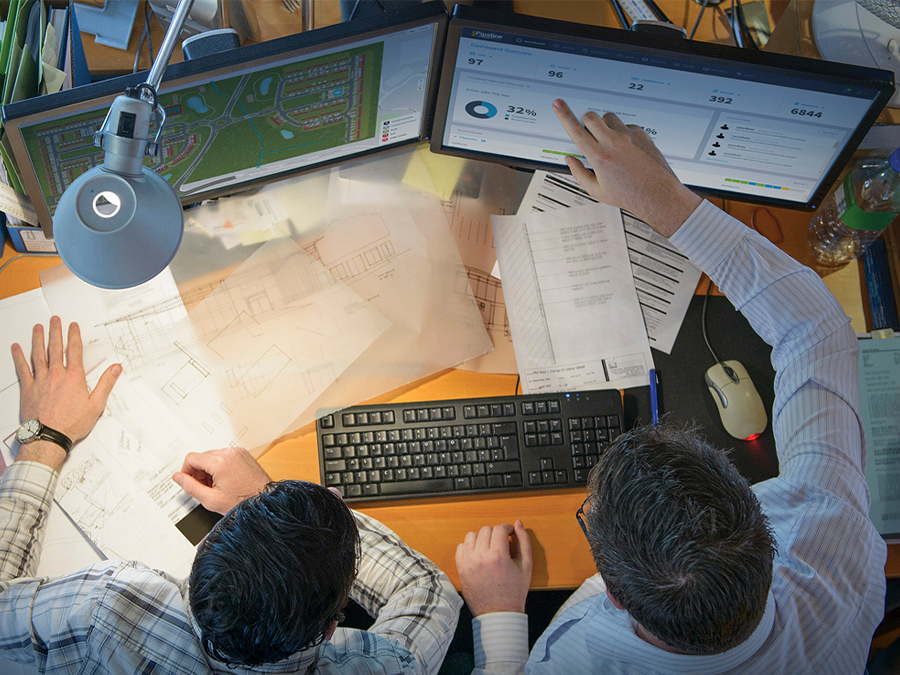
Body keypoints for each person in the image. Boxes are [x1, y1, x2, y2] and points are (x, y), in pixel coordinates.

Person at [454, 99, 888, 674]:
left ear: (609, 594)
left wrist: (499, 612)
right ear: (764, 529)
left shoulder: (568, 666)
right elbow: (818, 328)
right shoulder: (831, 549)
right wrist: (666, 200)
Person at [0, 318, 461, 674]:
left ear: (196, 570)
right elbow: (428, 591)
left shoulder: (108, 607)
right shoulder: (377, 665)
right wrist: (266, 498)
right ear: (332, 629)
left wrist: (44, 439)